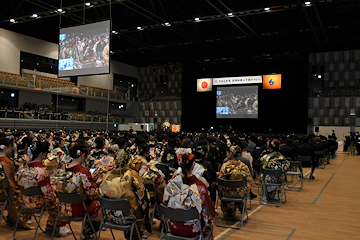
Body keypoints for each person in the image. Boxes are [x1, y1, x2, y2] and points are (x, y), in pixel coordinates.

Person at [15, 141, 71, 236]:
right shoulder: (42, 171)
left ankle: (50, 226)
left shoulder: (23, 169)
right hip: (37, 202)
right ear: (42, 154)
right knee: (61, 201)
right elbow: (48, 195)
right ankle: (60, 227)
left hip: (24, 200)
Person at [163, 148, 216, 239]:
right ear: (193, 166)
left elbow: (164, 203)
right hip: (193, 230)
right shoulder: (201, 187)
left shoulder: (171, 184)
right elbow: (209, 212)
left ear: (179, 164)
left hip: (173, 227)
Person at [57, 144, 102, 237]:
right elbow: (92, 193)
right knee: (100, 204)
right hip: (79, 209)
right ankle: (88, 232)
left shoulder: (64, 168)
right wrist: (95, 184)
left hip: (64, 207)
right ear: (82, 155)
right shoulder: (83, 172)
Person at [0, 137, 33, 230]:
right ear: (6, 147)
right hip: (4, 192)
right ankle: (19, 220)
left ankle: (11, 218)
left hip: (1, 190)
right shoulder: (7, 162)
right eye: (11, 146)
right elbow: (13, 181)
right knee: (24, 193)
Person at [218, 146, 254, 219]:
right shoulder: (244, 167)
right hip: (240, 194)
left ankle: (228, 209)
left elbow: (220, 182)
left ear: (230, 153)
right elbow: (250, 182)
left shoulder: (225, 166)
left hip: (226, 194)